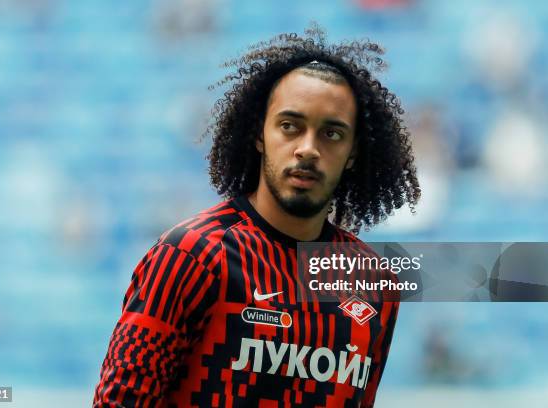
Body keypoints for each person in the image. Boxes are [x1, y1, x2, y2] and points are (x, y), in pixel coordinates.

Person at [93, 25, 420, 407]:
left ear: (352, 153)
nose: (308, 149)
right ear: (260, 135)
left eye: (331, 134)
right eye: (290, 126)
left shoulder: (373, 281)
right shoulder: (190, 257)